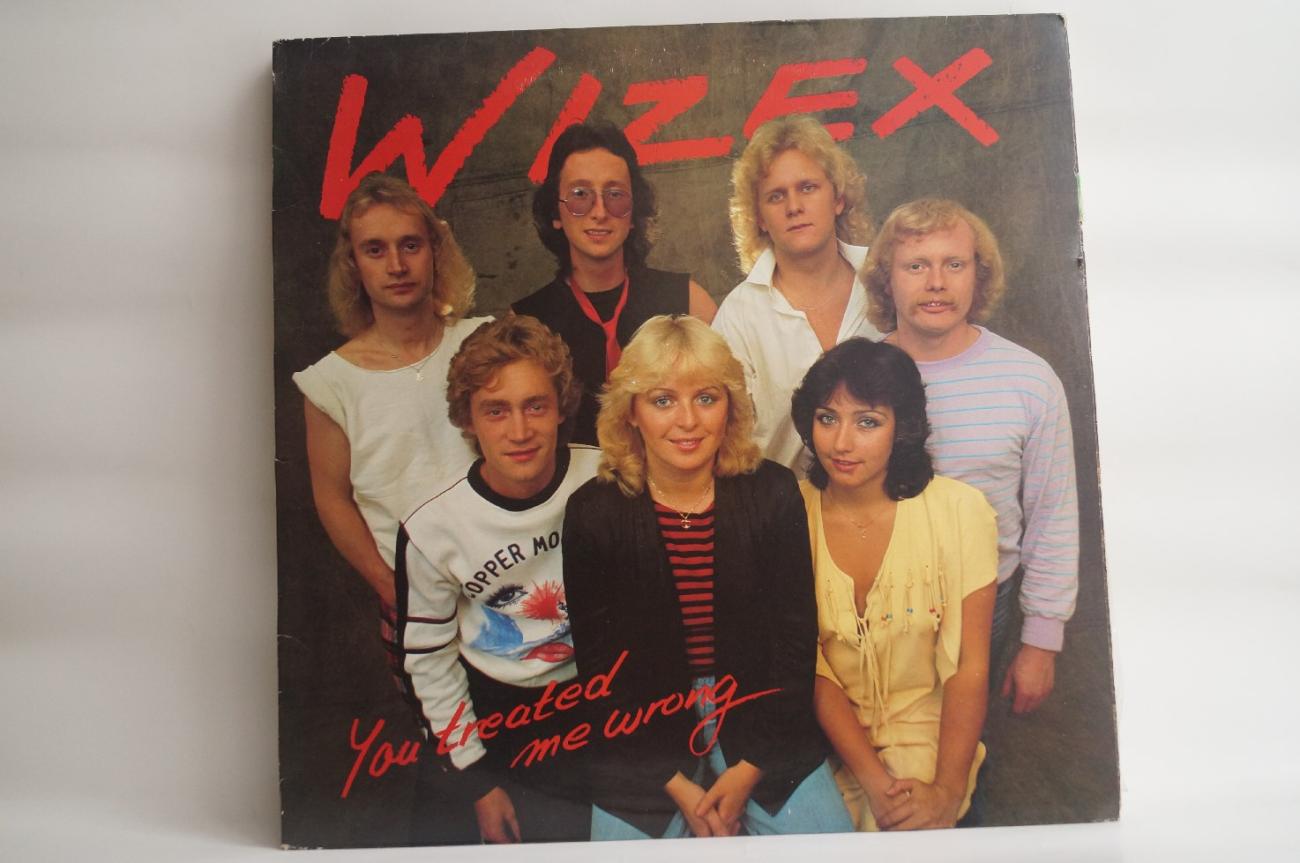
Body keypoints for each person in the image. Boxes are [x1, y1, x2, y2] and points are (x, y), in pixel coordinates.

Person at [562, 315, 852, 840]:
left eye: (706, 398)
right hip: (642, 736)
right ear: (631, 412)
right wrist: (677, 786)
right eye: (663, 400)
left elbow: (793, 647)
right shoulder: (593, 512)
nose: (688, 421)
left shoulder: (772, 492)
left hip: (763, 719)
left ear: (730, 407)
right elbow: (601, 673)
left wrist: (748, 771)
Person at [861, 198, 1079, 714]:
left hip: (984, 604)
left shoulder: (1031, 381)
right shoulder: (854, 373)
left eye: (954, 264)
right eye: (916, 266)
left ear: (978, 277)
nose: (936, 282)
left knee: (963, 748)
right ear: (886, 280)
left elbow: (1053, 516)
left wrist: (1041, 642)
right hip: (870, 602)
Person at [398, 315, 601, 844]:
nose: (519, 431)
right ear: (467, 418)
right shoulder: (432, 527)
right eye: (496, 410)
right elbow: (428, 661)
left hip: (598, 703)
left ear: (561, 408)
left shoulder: (606, 478)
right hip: (493, 714)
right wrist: (477, 782)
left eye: (536, 406)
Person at [791, 338, 998, 830]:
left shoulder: (960, 511)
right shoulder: (788, 512)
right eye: (827, 418)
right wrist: (874, 781)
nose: (841, 443)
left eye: (867, 422)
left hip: (930, 738)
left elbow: (968, 666)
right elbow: (809, 667)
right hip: (819, 742)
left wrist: (945, 791)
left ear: (902, 427)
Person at [293, 172, 489, 679]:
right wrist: (393, 589)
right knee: (448, 729)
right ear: (353, 264)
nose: (397, 266)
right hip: (419, 605)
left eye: (410, 245)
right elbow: (332, 499)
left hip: (513, 582)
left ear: (435, 251)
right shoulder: (330, 383)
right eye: (375, 250)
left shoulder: (484, 341)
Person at [514, 122, 716, 446]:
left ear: (634, 212)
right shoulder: (525, 323)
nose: (599, 212)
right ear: (555, 212)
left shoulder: (690, 303)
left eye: (615, 195)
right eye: (580, 195)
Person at [712, 114, 881, 473]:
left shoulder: (885, 280)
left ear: (838, 198)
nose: (794, 207)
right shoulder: (739, 314)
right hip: (784, 503)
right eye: (776, 196)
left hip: (891, 499)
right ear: (759, 217)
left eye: (807, 187)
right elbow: (726, 442)